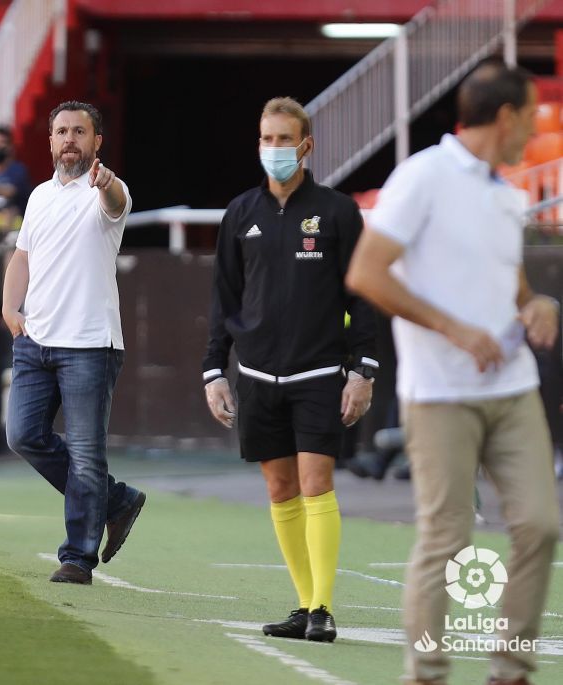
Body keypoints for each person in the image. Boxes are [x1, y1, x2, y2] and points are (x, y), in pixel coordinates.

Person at [346, 58, 560, 685]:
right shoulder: (422, 176)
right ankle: (426, 674)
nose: (534, 130)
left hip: (513, 388)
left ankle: (510, 672)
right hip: (439, 393)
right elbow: (366, 273)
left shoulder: (506, 193)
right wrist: (454, 329)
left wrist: (537, 305)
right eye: (530, 116)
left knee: (541, 526)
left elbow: (511, 286)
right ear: (506, 117)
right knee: (447, 538)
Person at [203, 97, 378, 642]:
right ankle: (303, 605)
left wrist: (363, 370)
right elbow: (224, 299)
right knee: (280, 489)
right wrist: (214, 370)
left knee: (316, 483)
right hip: (257, 377)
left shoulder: (338, 212)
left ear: (306, 145)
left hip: (319, 374)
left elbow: (363, 295)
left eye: (284, 139)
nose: (274, 148)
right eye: (267, 139)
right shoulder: (240, 213)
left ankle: (323, 608)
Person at [3, 101, 146, 585]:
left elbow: (116, 203)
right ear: (50, 140)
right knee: (23, 435)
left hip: (89, 343)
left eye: (79, 131)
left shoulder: (105, 190)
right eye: (61, 131)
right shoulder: (39, 195)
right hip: (35, 339)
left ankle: (78, 559)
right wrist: (10, 308)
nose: (69, 139)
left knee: (86, 453)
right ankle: (116, 500)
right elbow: (22, 256)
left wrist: (106, 184)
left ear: (96, 141)